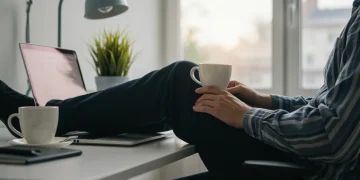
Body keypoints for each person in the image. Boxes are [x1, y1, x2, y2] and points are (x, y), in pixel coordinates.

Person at [1, 1, 360, 179]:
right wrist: (264, 100)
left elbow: (332, 135)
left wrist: (247, 116)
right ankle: (58, 114)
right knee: (182, 83)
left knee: (180, 78)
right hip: (312, 160)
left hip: (318, 168)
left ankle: (42, 115)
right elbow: (330, 106)